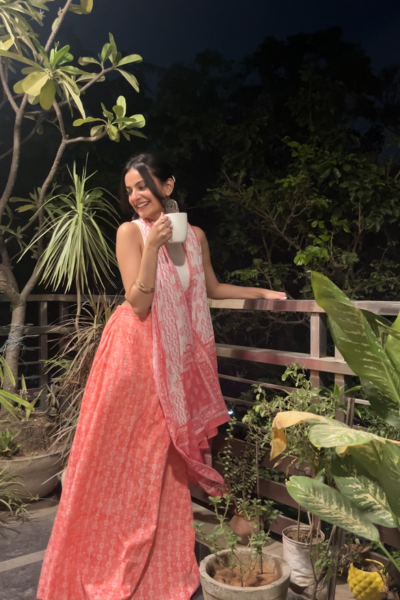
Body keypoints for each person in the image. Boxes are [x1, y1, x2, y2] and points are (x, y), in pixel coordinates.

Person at [37, 153, 287, 600]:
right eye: (129, 189)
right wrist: (151, 246)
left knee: (166, 462)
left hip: (177, 361)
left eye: (143, 186)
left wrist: (263, 292)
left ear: (167, 186)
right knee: (124, 460)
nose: (135, 196)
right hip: (134, 359)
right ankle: (103, 554)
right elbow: (138, 303)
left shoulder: (195, 236)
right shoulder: (130, 232)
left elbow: (210, 289)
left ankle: (161, 559)